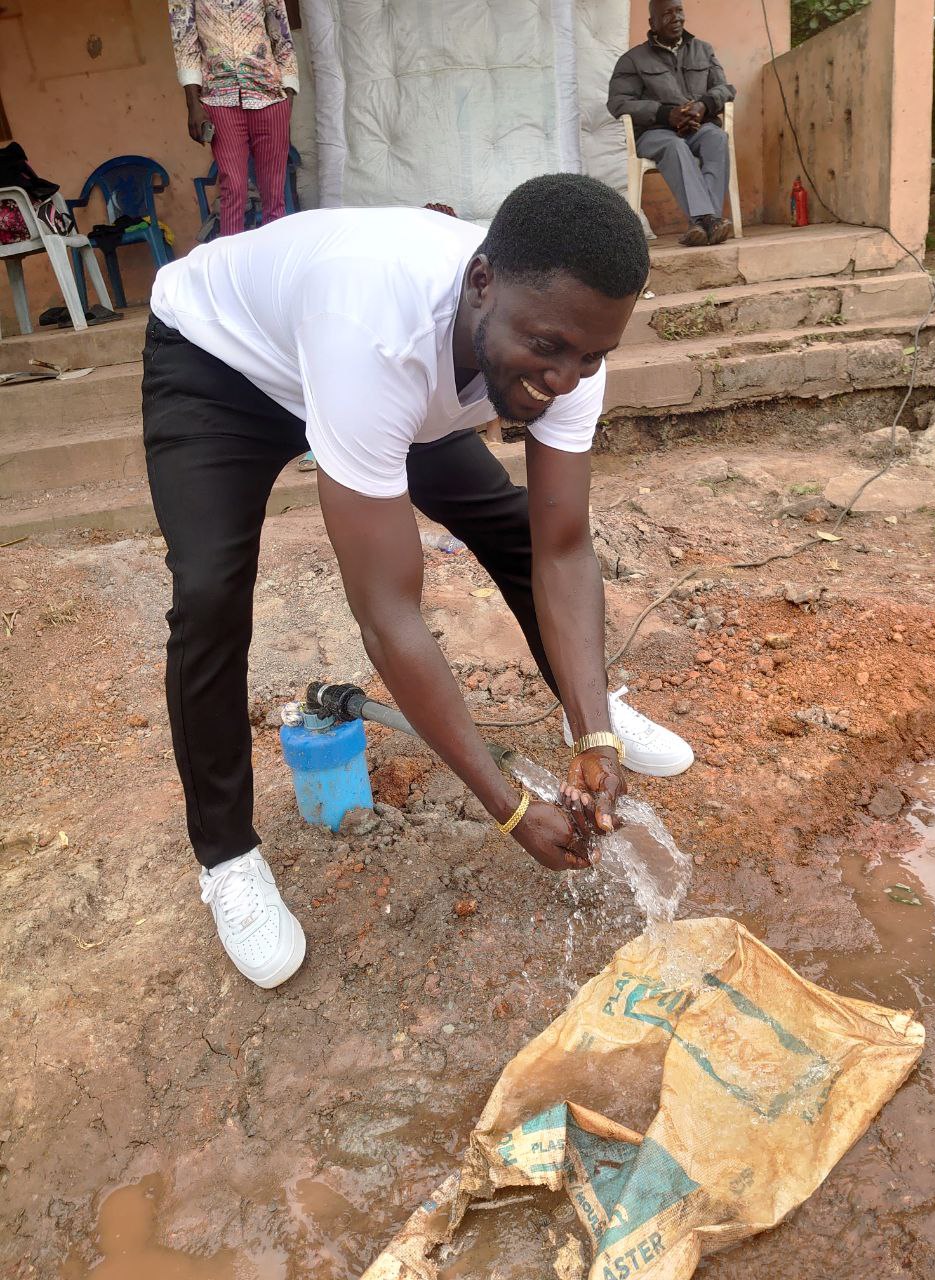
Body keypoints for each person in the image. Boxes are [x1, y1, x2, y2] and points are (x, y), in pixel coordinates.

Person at [143, 174, 695, 990]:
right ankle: (226, 857)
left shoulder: (567, 335)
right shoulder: (374, 331)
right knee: (211, 593)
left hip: (404, 374)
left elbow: (565, 543)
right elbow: (388, 614)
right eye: (548, 349)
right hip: (224, 367)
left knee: (515, 525)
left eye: (593, 356)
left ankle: (598, 713)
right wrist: (506, 805)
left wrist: (593, 735)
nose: (568, 379)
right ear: (481, 284)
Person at [607, 0, 736, 247]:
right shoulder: (632, 60)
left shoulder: (703, 49)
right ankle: (708, 220)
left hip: (699, 127)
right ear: (652, 23)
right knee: (675, 147)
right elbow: (618, 103)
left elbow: (725, 88)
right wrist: (666, 114)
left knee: (717, 139)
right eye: (667, 14)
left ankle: (703, 224)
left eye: (679, 11)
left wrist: (704, 105)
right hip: (655, 132)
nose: (676, 18)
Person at [168, 0, 299, 237]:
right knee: (233, 189)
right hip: (219, 97)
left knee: (273, 194)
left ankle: (274, 265)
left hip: (269, 95)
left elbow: (280, 31)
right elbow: (184, 41)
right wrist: (193, 104)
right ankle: (232, 268)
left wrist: (288, 92)